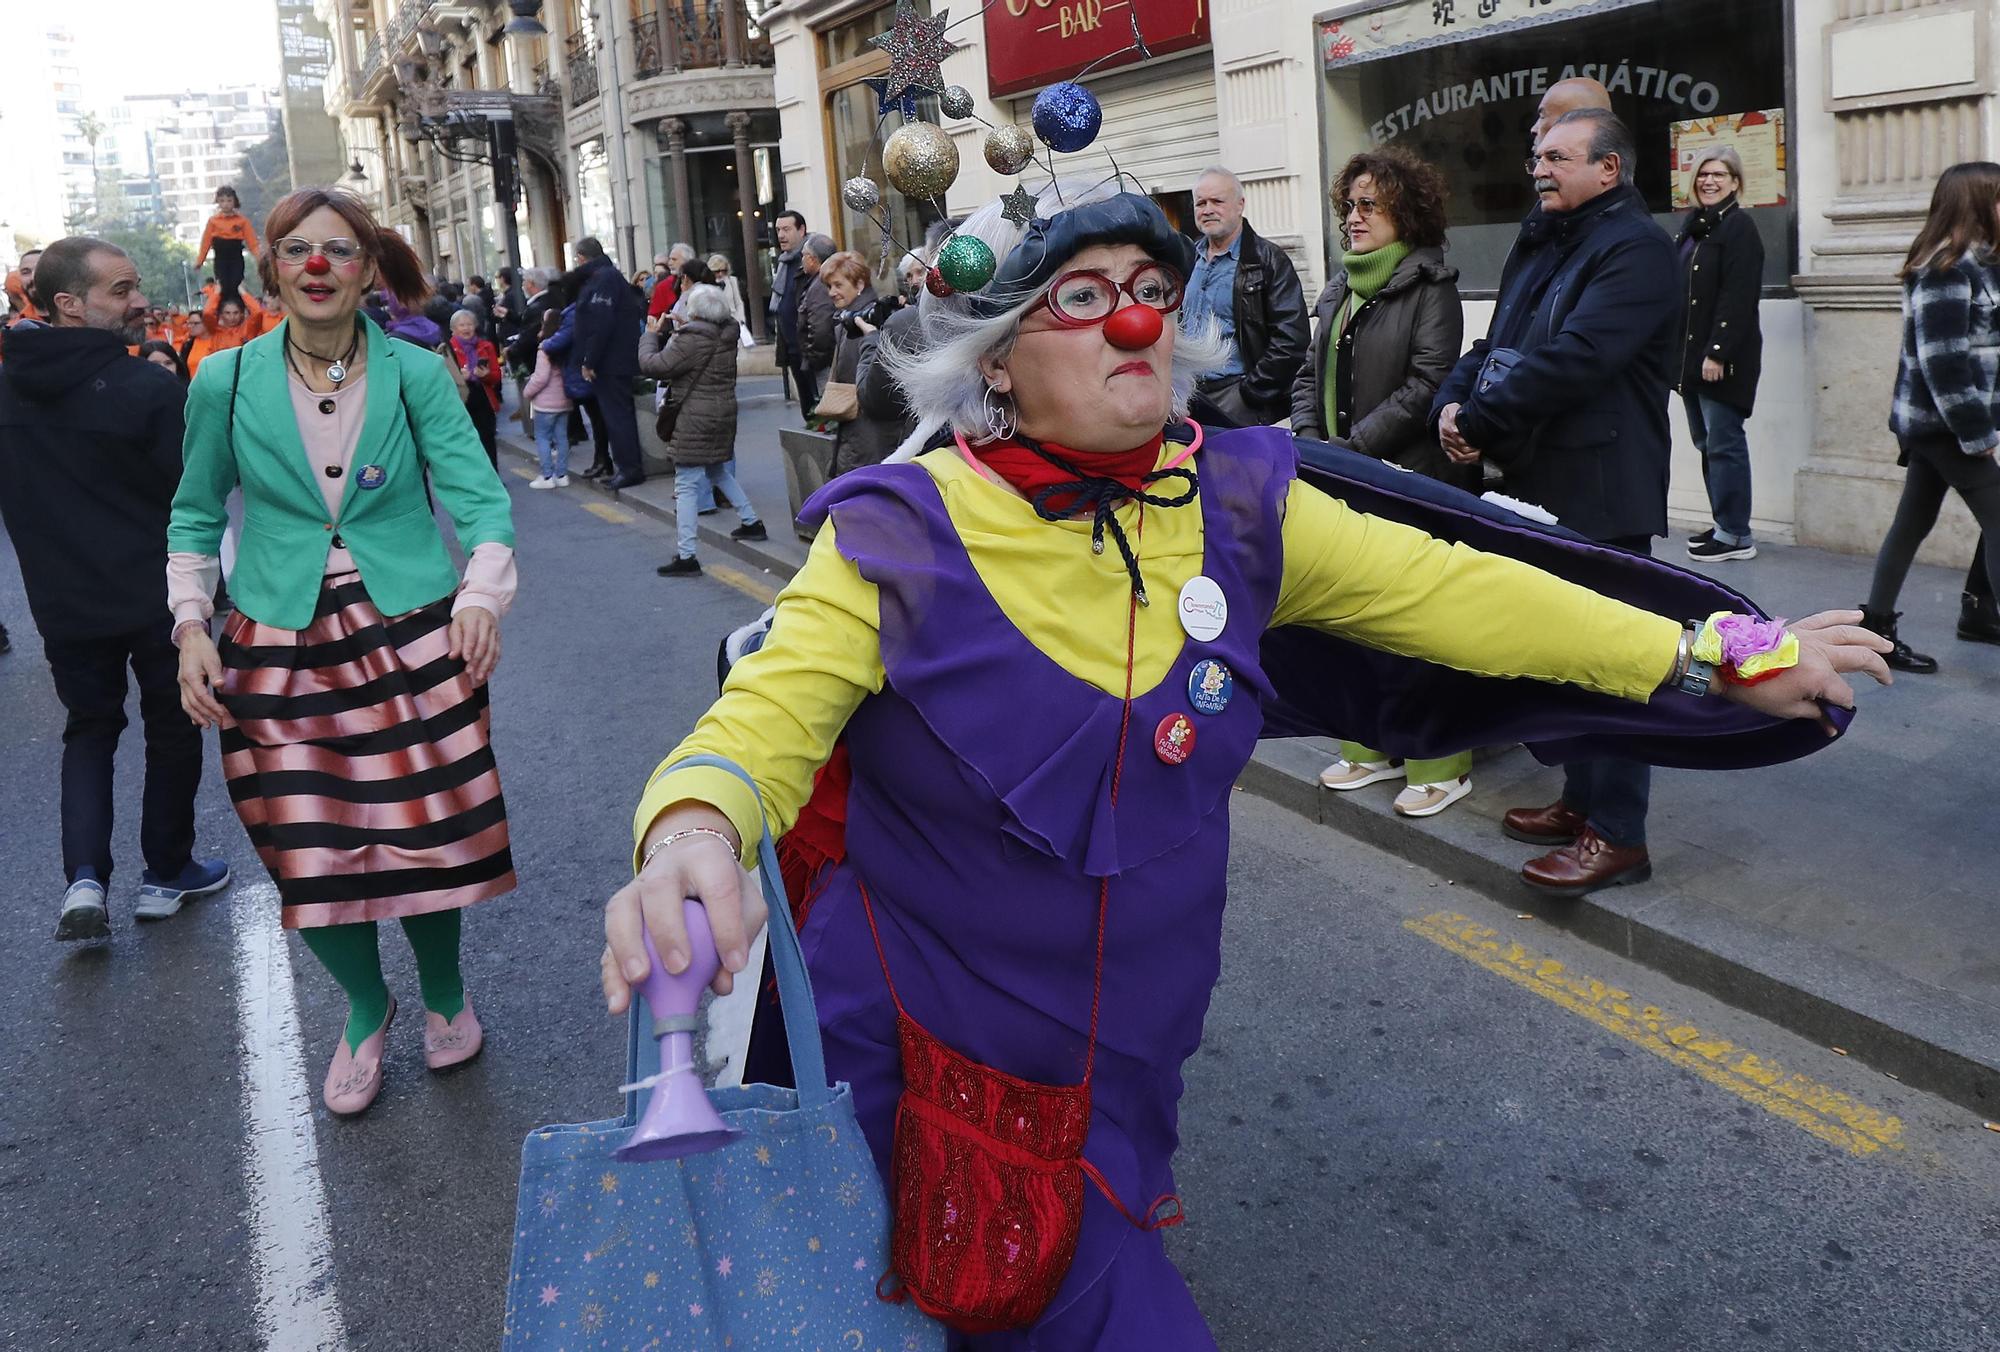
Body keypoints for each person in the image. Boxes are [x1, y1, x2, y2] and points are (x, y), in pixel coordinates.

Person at [598, 182, 1889, 1348]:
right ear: (996, 365)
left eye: (1155, 294)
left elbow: (1466, 589)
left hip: (1125, 1067)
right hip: (920, 1063)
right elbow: (763, 716)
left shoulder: (1239, 501)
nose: (1135, 324)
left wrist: (1716, 646)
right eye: (1085, 298)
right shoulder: (901, 534)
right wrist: (695, 831)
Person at [167, 187, 518, 1117]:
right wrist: (192, 625)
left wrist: (480, 593)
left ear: (366, 269)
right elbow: (197, 514)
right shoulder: (222, 381)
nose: (316, 265)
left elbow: (479, 500)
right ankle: (367, 1009)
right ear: (271, 269)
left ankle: (444, 994)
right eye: (295, 249)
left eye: (338, 250)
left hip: (412, 628)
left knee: (425, 832)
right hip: (275, 640)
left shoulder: (416, 371)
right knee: (307, 841)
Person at [1432, 107, 1679, 896]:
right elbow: (1495, 340)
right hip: (1541, 480)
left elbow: (1577, 360)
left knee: (1614, 661)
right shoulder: (1547, 236)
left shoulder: (1636, 250)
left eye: (1558, 156)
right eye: (1536, 154)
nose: (1539, 167)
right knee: (1564, 653)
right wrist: (1453, 401)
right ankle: (1581, 800)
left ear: (1609, 169)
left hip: (1603, 488)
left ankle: (1619, 835)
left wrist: (1481, 421)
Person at [0, 235, 231, 941]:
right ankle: (167, 871)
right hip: (158, 599)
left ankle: (84, 881)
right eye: (120, 290)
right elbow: (195, 496)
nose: (137, 302)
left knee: (89, 730)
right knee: (173, 727)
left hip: (63, 603)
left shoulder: (8, 390)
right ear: (68, 303)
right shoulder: (146, 387)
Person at [1290, 147, 1473, 819]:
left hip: (1406, 479)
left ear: (1406, 212)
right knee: (1352, 613)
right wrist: (1311, 443)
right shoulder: (1339, 286)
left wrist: (1352, 452)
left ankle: (1440, 759)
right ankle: (1372, 744)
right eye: (1350, 205)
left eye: (1370, 205)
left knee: (1416, 619)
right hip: (1341, 473)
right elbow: (1308, 374)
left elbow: (1427, 383)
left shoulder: (1433, 285)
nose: (1355, 217)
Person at [1859, 160, 2000, 674]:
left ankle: (1875, 628)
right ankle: (1881, 626)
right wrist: (1976, 431)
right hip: (1943, 424)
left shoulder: (1979, 263)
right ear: (1978, 203)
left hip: (1946, 423)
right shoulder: (1947, 268)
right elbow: (1944, 365)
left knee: (1913, 520)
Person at [1676, 145, 1766, 563]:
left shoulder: (1738, 227)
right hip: (1692, 360)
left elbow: (1738, 298)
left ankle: (1736, 535)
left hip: (1722, 361)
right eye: (1703, 175)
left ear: (1736, 183)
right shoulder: (1697, 228)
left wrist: (1717, 353)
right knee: (1706, 442)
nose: (1709, 181)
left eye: (1719, 175)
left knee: (1725, 443)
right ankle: (1723, 525)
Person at [641, 283, 764, 577]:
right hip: (722, 413)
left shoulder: (690, 341)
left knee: (685, 483)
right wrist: (690, 326)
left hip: (695, 417)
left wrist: (649, 335)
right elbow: (707, 336)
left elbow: (653, 366)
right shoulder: (728, 332)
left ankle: (687, 555)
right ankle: (751, 521)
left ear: (694, 312)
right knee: (716, 469)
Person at [1182, 166, 1307, 427]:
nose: (1207, 210)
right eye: (1200, 203)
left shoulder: (1268, 260)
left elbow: (1292, 339)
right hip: (1189, 396)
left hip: (1238, 397)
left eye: (1217, 201)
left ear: (1240, 205)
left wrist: (1251, 392)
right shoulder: (1187, 258)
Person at [570, 235, 647, 489]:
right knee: (615, 415)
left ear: (581, 257)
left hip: (611, 360)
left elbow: (600, 322)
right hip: (615, 357)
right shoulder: (607, 276)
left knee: (617, 416)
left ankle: (629, 468)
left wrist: (589, 360)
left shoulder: (602, 278)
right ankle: (626, 466)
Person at [820, 252, 900, 476]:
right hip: (861, 431)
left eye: (838, 285)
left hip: (868, 434)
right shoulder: (851, 321)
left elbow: (872, 382)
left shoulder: (866, 322)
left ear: (859, 284)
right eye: (829, 286)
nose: (832, 292)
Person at [522, 307, 573, 489]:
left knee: (542, 437)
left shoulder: (545, 348)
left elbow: (541, 377)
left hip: (545, 402)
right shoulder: (566, 346)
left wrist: (527, 392)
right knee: (562, 438)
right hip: (564, 399)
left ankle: (546, 476)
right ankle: (562, 474)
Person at [448, 308, 504, 464]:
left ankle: (493, 479)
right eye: (462, 325)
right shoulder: (448, 349)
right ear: (453, 329)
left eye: (469, 324)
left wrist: (485, 375)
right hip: (461, 400)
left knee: (488, 440)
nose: (466, 328)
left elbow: (496, 377)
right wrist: (460, 377)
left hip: (483, 398)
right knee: (466, 443)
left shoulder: (486, 346)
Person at [195, 186, 259, 306]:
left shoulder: (242, 221)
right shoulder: (213, 221)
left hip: (236, 257)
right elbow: (206, 242)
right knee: (223, 285)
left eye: (229, 200)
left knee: (236, 283)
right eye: (222, 201)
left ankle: (239, 309)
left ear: (235, 202)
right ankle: (223, 310)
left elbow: (252, 242)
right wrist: (200, 261)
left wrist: (259, 258)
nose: (226, 204)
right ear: (218, 202)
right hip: (220, 258)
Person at [796, 234, 839, 414]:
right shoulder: (819, 281)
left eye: (803, 255)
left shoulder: (821, 285)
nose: (802, 260)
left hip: (826, 362)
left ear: (813, 259)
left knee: (830, 408)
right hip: (826, 359)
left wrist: (815, 358)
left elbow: (820, 328)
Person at [771, 210, 809, 402]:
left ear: (801, 230)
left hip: (809, 348)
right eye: (778, 230)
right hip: (793, 348)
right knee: (807, 406)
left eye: (786, 229)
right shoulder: (784, 262)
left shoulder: (809, 259)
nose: (781, 235)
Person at [649, 243, 693, 320]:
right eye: (669, 259)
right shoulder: (664, 286)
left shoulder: (700, 281)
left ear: (687, 261)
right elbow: (654, 317)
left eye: (674, 259)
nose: (670, 263)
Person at [707, 252, 750, 332]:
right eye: (717, 271)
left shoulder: (732, 281)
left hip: (733, 320)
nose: (720, 274)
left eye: (723, 270)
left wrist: (741, 319)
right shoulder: (707, 284)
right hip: (715, 323)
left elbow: (738, 302)